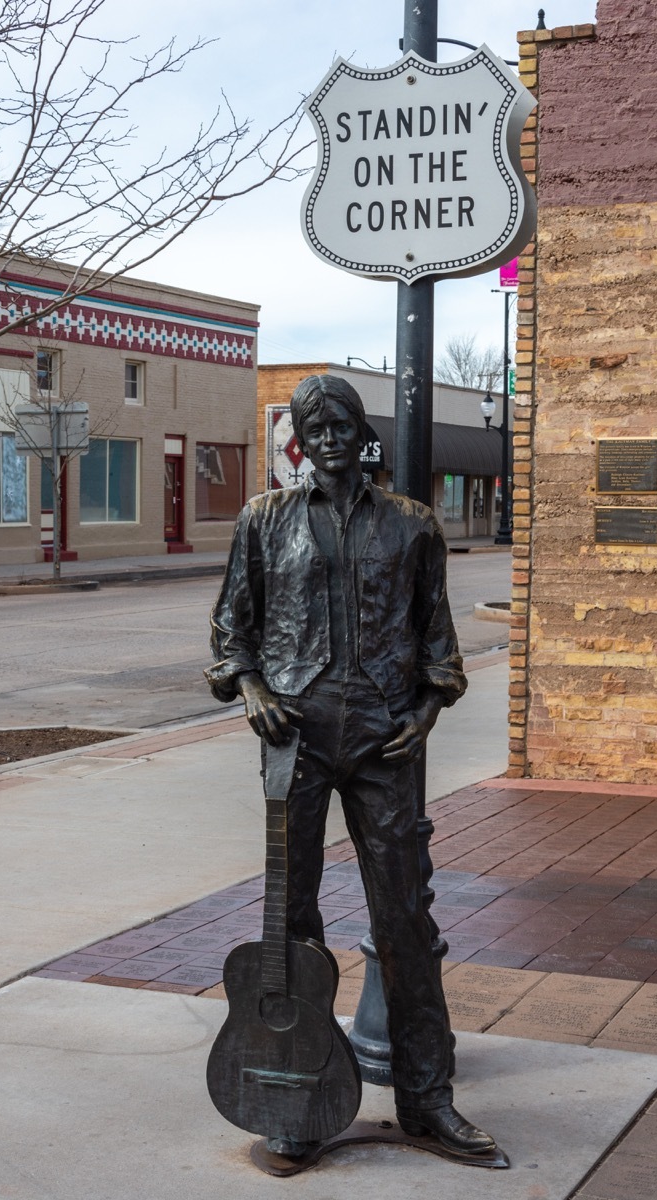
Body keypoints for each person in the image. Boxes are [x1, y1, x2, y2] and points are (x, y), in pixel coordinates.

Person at [206, 374, 494, 1158]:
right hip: (295, 738)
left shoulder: (412, 524)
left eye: (340, 424)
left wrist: (425, 714)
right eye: (313, 426)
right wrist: (253, 690)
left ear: (359, 431)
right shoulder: (264, 519)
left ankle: (428, 1100)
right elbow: (232, 631)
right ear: (299, 439)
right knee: (291, 926)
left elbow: (440, 643)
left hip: (382, 739)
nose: (328, 437)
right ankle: (295, 1100)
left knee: (405, 921)